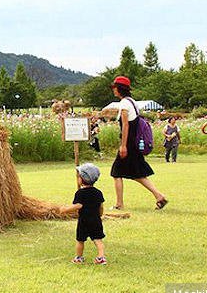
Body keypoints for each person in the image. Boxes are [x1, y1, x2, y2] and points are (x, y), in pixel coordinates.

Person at [109, 76, 168, 210]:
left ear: (119, 88)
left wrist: (123, 146)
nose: (113, 90)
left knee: (116, 172)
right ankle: (159, 196)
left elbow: (125, 126)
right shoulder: (132, 102)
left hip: (129, 143)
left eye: (114, 87)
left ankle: (119, 204)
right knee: (137, 174)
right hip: (135, 143)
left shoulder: (124, 103)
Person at [69, 163, 106, 265]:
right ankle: (101, 257)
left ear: (82, 179)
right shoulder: (98, 192)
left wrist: (64, 209)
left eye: (78, 176)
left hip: (84, 221)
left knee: (80, 240)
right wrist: (100, 215)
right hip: (96, 220)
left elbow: (78, 206)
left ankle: (79, 257)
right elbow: (101, 206)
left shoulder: (80, 193)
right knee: (98, 240)